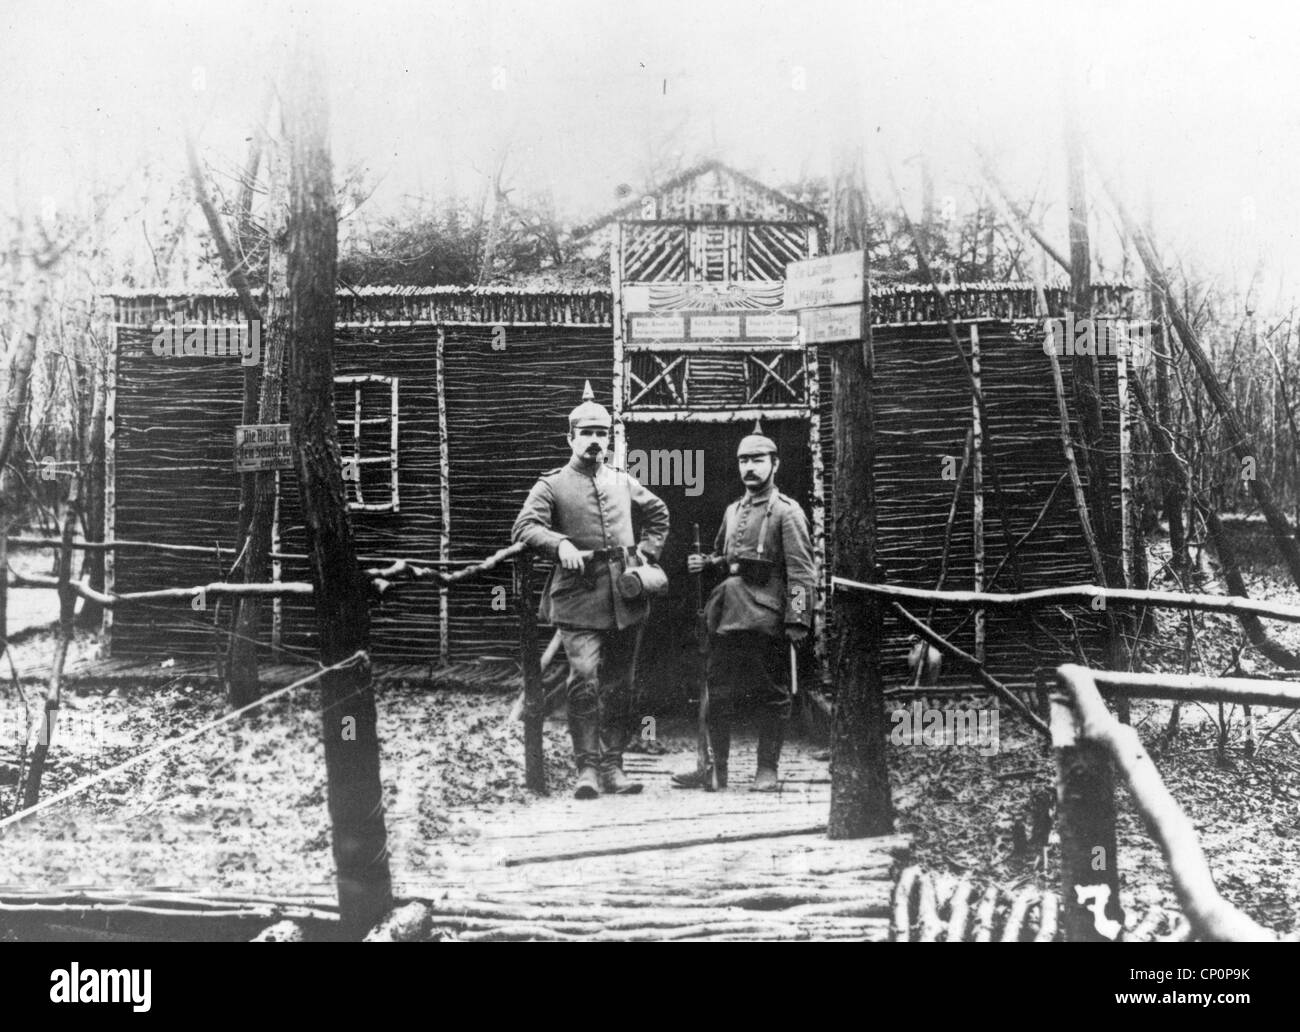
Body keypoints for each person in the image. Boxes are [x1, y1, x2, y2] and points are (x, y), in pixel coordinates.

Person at [512, 382, 670, 799]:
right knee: (584, 680)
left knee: (621, 683)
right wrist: (559, 543)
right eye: (587, 433)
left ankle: (613, 765)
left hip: (625, 593)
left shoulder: (623, 480)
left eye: (602, 434)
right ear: (570, 438)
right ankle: (586, 770)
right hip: (577, 596)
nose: (595, 441)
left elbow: (658, 511)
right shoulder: (551, 484)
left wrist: (647, 555)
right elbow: (525, 526)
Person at [672, 423, 814, 792]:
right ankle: (716, 768)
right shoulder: (733, 510)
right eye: (743, 460)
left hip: (766, 616)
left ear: (775, 464)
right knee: (718, 691)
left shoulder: (788, 512)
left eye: (757, 460)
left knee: (771, 692)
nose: (749, 467)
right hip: (727, 615)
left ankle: (767, 769)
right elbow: (724, 556)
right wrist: (705, 562)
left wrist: (798, 619)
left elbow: (802, 572)